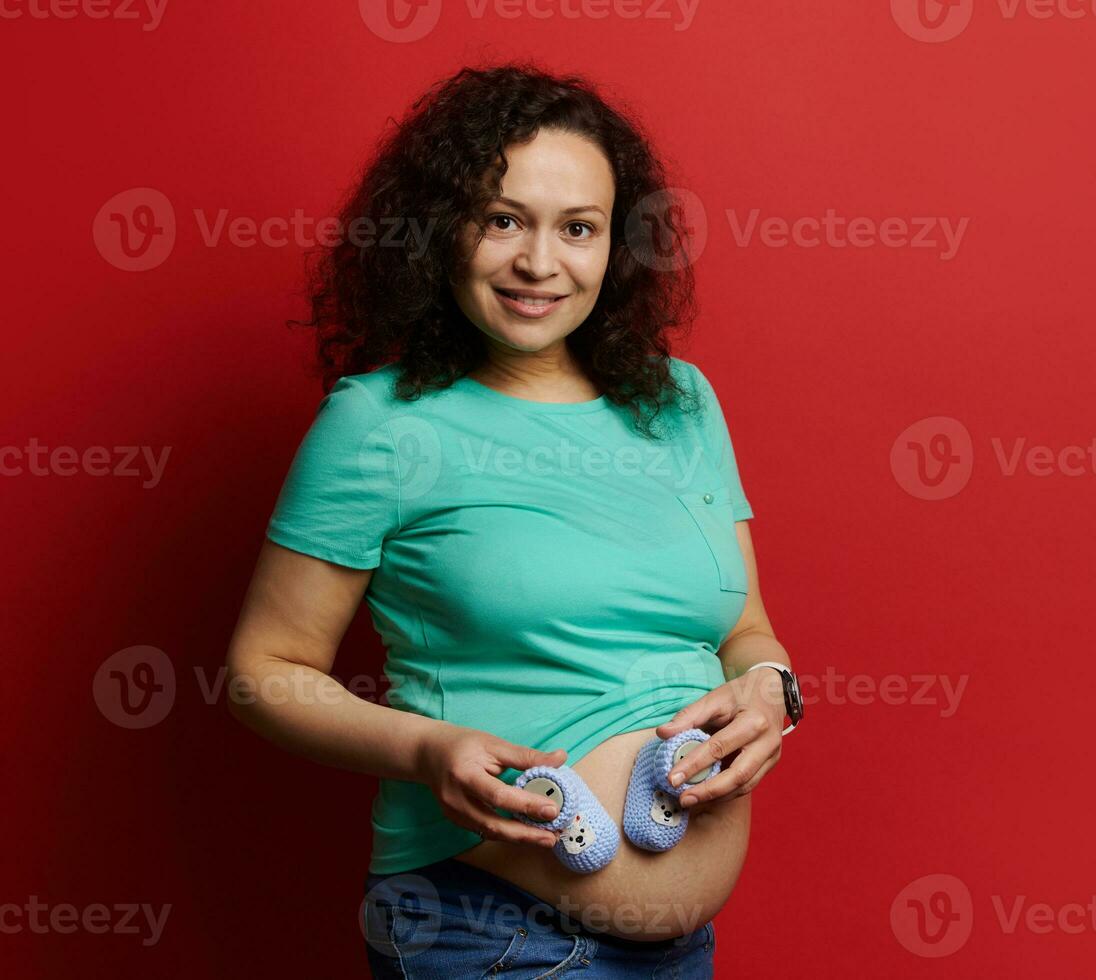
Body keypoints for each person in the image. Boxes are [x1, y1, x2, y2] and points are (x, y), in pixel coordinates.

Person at [224, 63, 797, 978]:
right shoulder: (381, 425)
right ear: (437, 231)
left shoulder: (680, 404)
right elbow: (263, 673)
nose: (540, 262)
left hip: (681, 952)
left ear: (618, 245)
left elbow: (746, 630)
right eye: (502, 220)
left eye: (578, 229)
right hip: (490, 932)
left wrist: (772, 692)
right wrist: (427, 748)